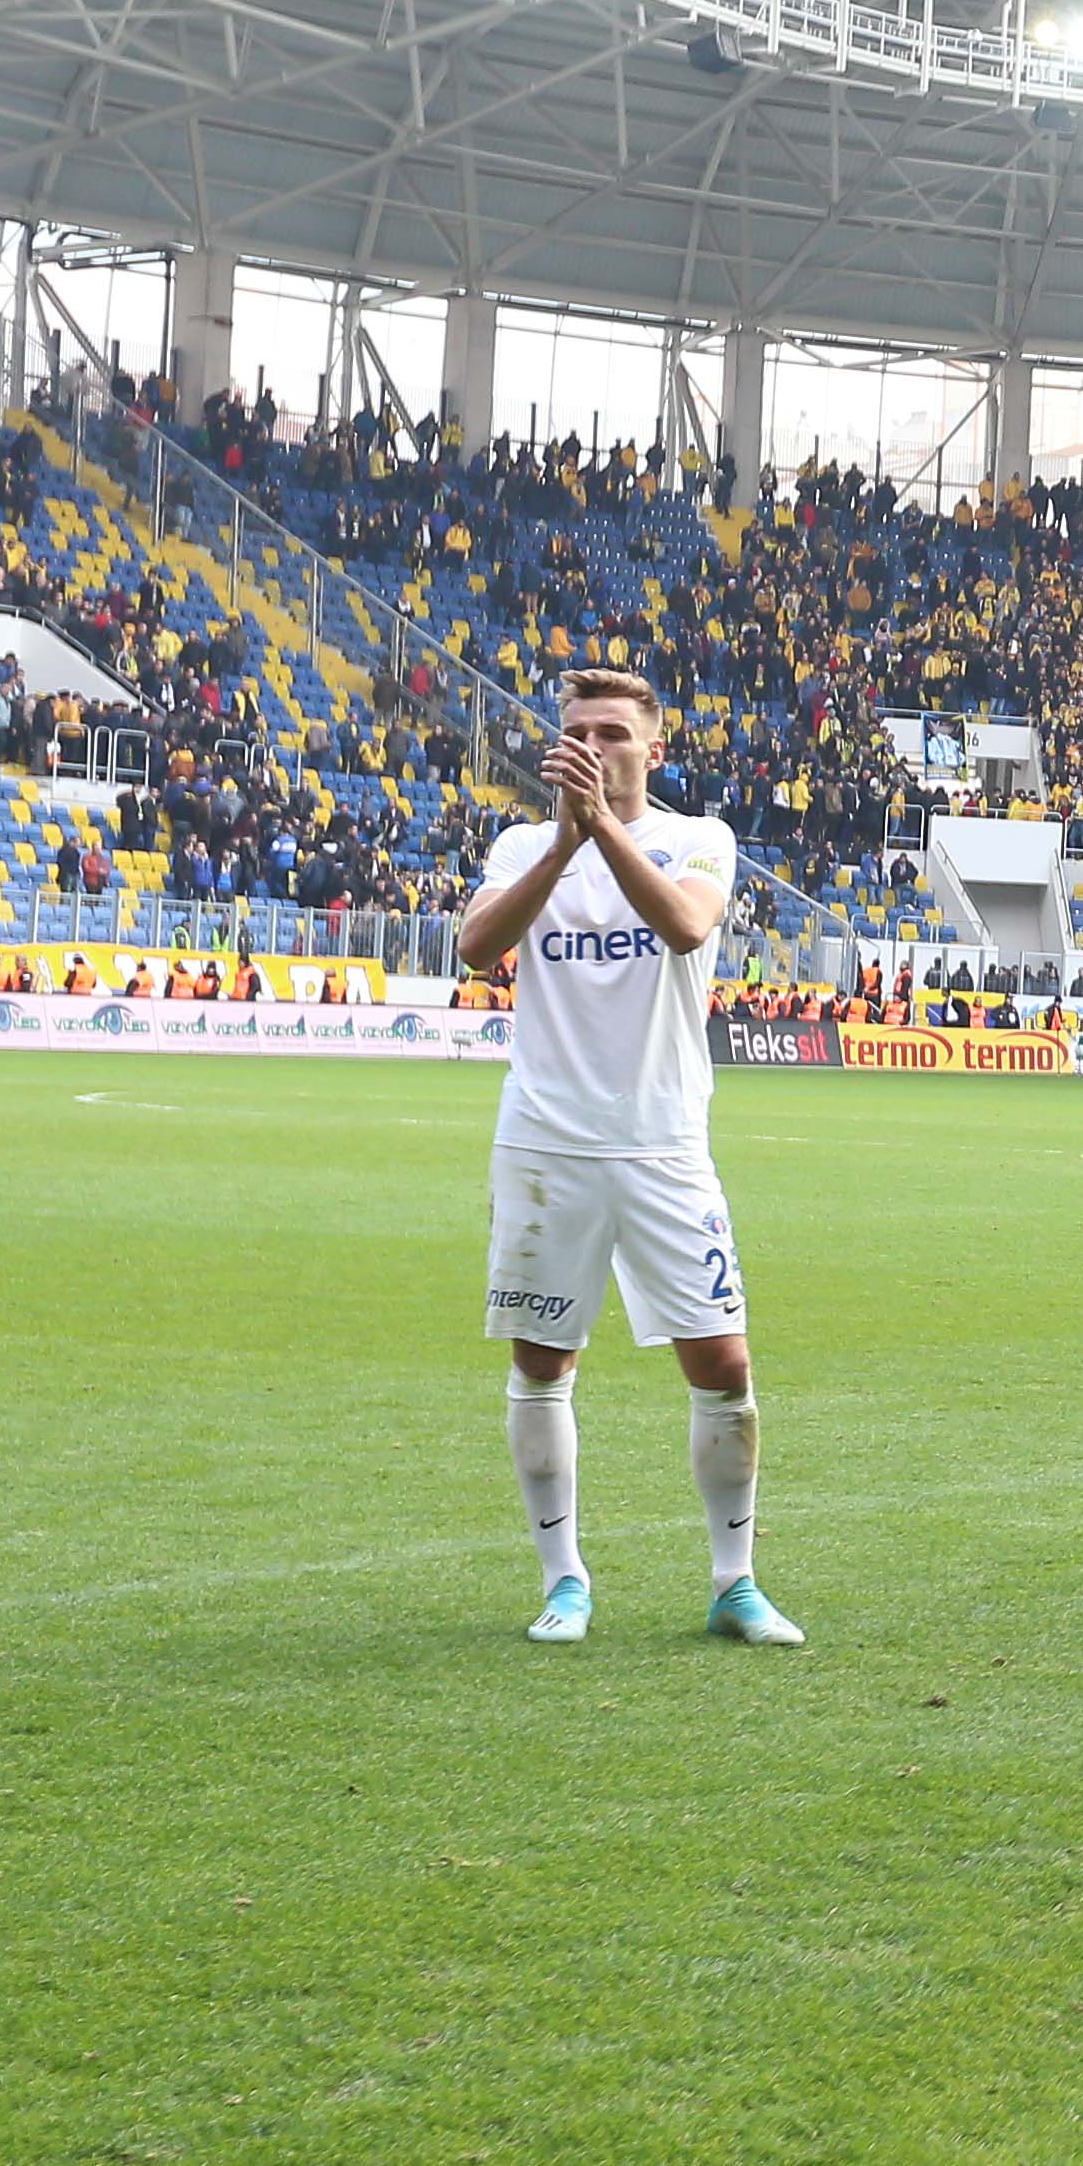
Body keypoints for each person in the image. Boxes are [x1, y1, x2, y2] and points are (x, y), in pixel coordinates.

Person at [460, 668, 784, 1648]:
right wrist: (567, 841)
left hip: (664, 1141)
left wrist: (601, 828)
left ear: (653, 747)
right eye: (577, 732)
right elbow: (477, 946)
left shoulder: (699, 839)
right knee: (541, 1362)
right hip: (546, 1141)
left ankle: (734, 1582)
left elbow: (685, 926)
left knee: (723, 1361)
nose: (592, 746)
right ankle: (563, 1581)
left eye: (611, 732)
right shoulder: (524, 845)